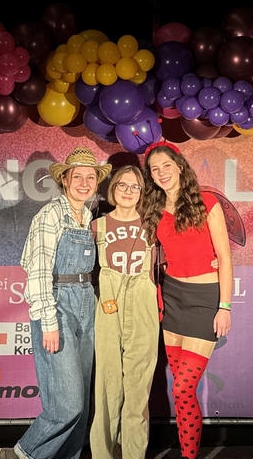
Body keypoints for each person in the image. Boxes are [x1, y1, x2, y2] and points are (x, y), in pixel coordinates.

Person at [0, 147, 112, 459]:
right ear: (65, 180)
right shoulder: (50, 215)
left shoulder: (88, 217)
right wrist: (48, 321)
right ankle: (20, 454)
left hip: (86, 302)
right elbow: (38, 271)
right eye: (78, 177)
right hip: (57, 304)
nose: (84, 183)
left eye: (91, 177)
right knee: (66, 404)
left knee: (81, 404)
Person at [140, 142, 233, 459]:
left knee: (183, 387)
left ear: (179, 167)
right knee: (180, 392)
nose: (161, 173)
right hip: (173, 299)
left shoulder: (207, 202)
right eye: (155, 169)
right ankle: (187, 453)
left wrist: (225, 306)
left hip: (205, 301)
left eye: (166, 165)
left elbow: (225, 258)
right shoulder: (154, 210)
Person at [89, 165, 158, 459]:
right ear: (112, 189)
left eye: (135, 187)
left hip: (143, 307)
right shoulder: (96, 227)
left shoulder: (153, 226)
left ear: (142, 193)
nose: (128, 191)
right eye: (122, 185)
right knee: (107, 384)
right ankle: (103, 454)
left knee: (138, 388)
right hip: (108, 307)